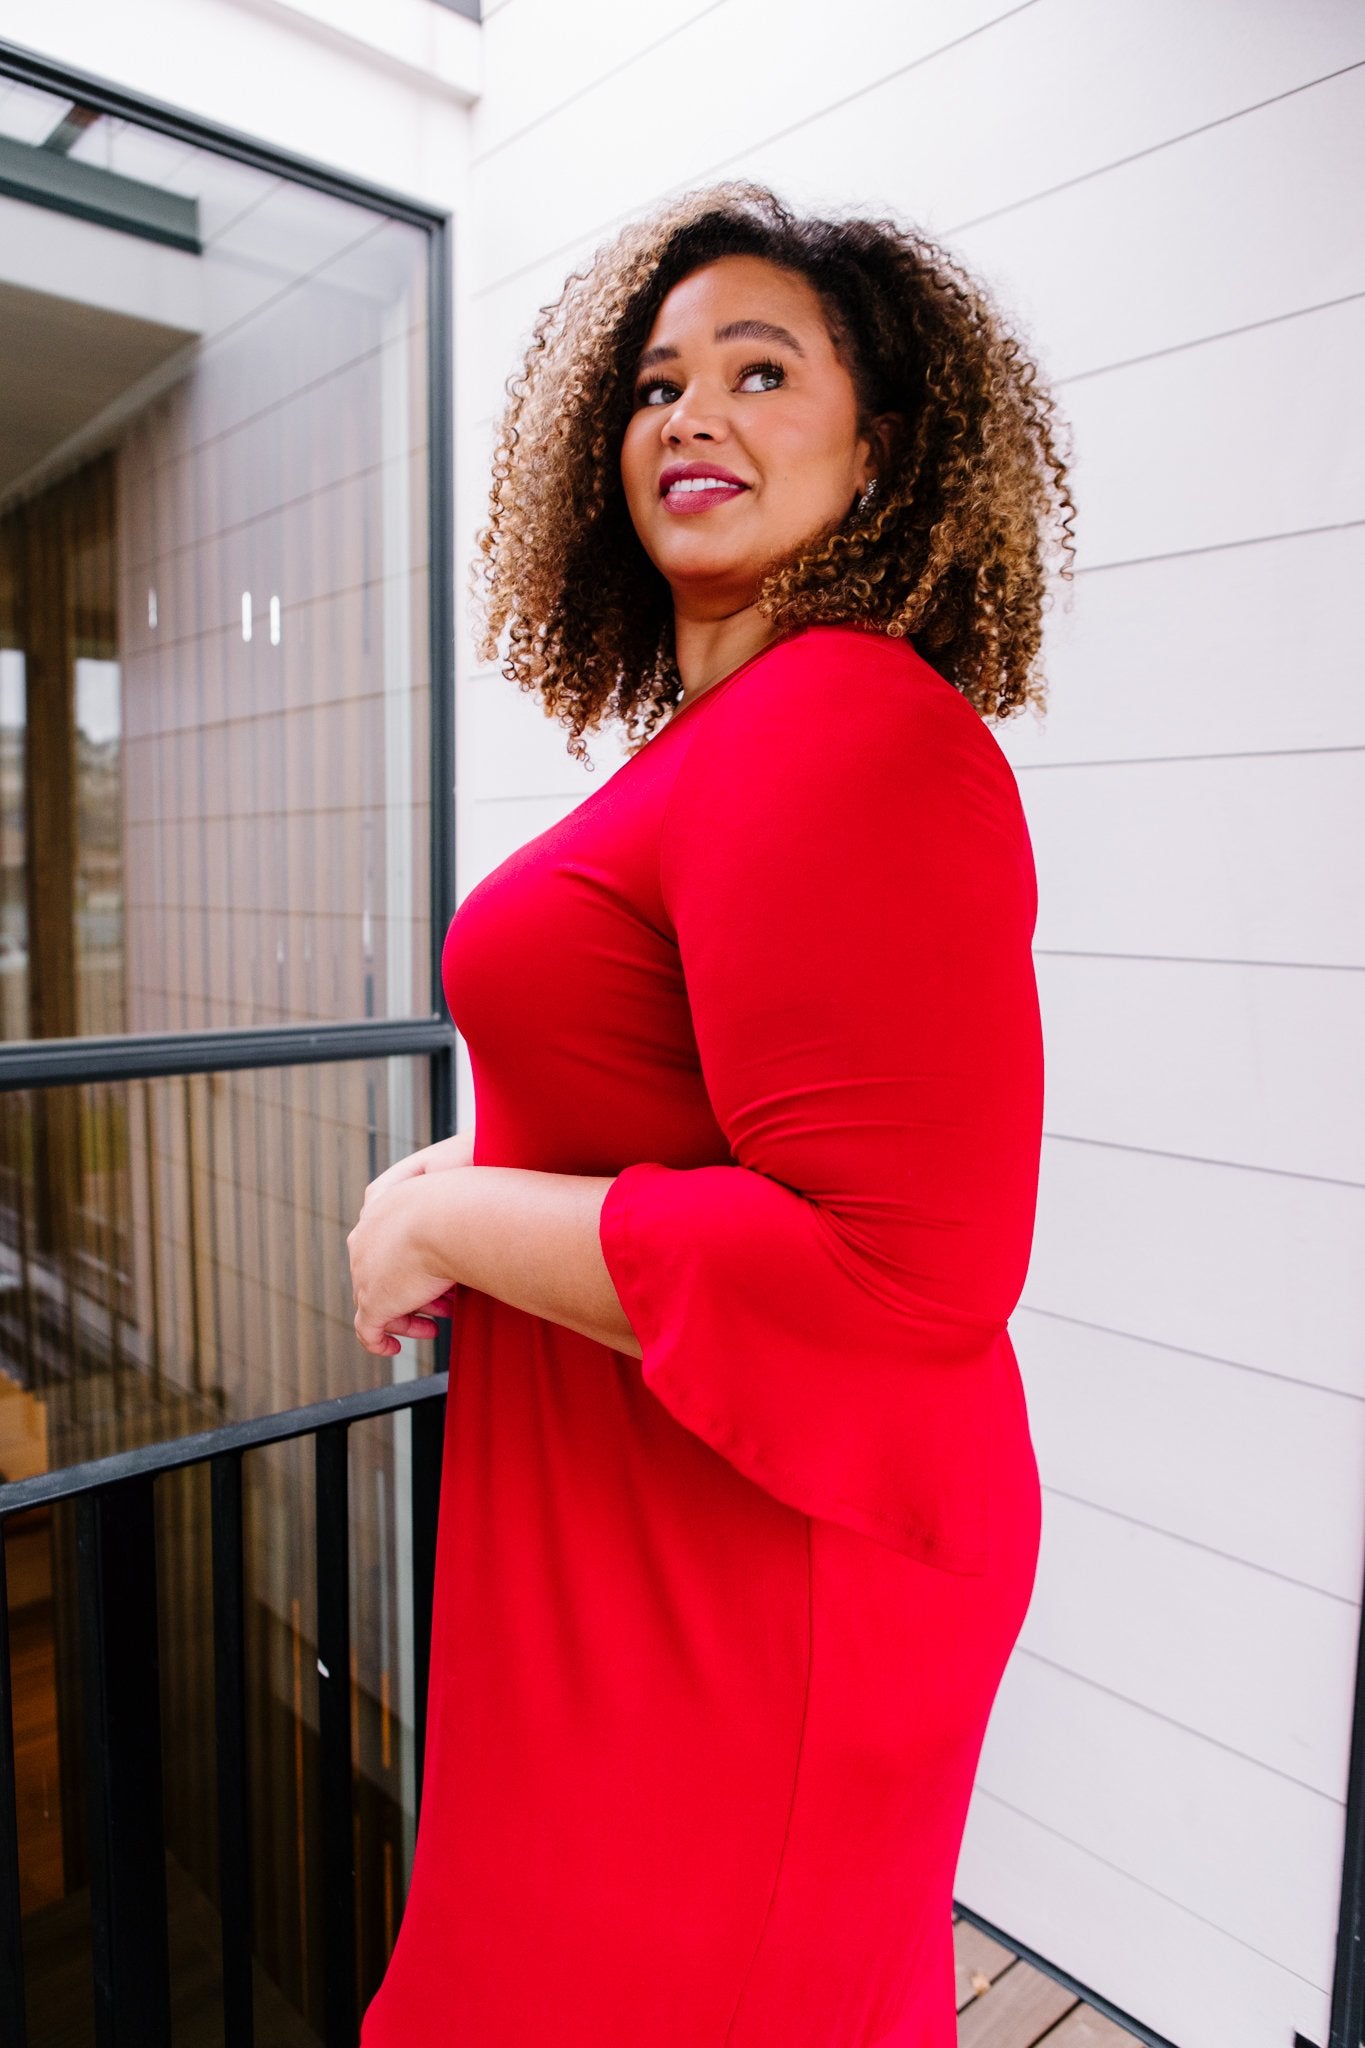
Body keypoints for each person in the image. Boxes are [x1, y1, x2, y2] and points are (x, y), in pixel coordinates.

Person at [348, 180, 1074, 2047]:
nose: (692, 414)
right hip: (629, 1516)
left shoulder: (847, 721)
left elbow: (896, 1270)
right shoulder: (725, 739)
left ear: (882, 446)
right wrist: (484, 1162)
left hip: (750, 1571)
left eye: (761, 371)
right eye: (658, 382)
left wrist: (443, 1222)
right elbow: (674, 1106)